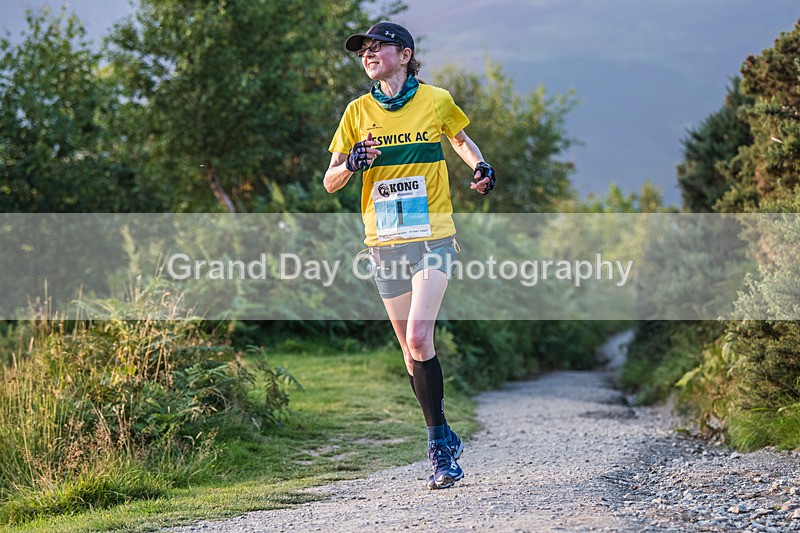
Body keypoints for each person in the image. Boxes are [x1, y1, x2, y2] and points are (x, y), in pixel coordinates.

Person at [323, 21, 495, 490]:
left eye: (377, 48)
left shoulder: (435, 100)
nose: (368, 55)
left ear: (405, 53)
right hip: (384, 243)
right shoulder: (357, 111)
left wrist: (480, 166)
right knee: (409, 353)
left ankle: (439, 452)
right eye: (364, 51)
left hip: (434, 237)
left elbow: (460, 140)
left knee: (420, 338)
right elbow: (330, 179)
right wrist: (351, 163)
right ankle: (445, 431)